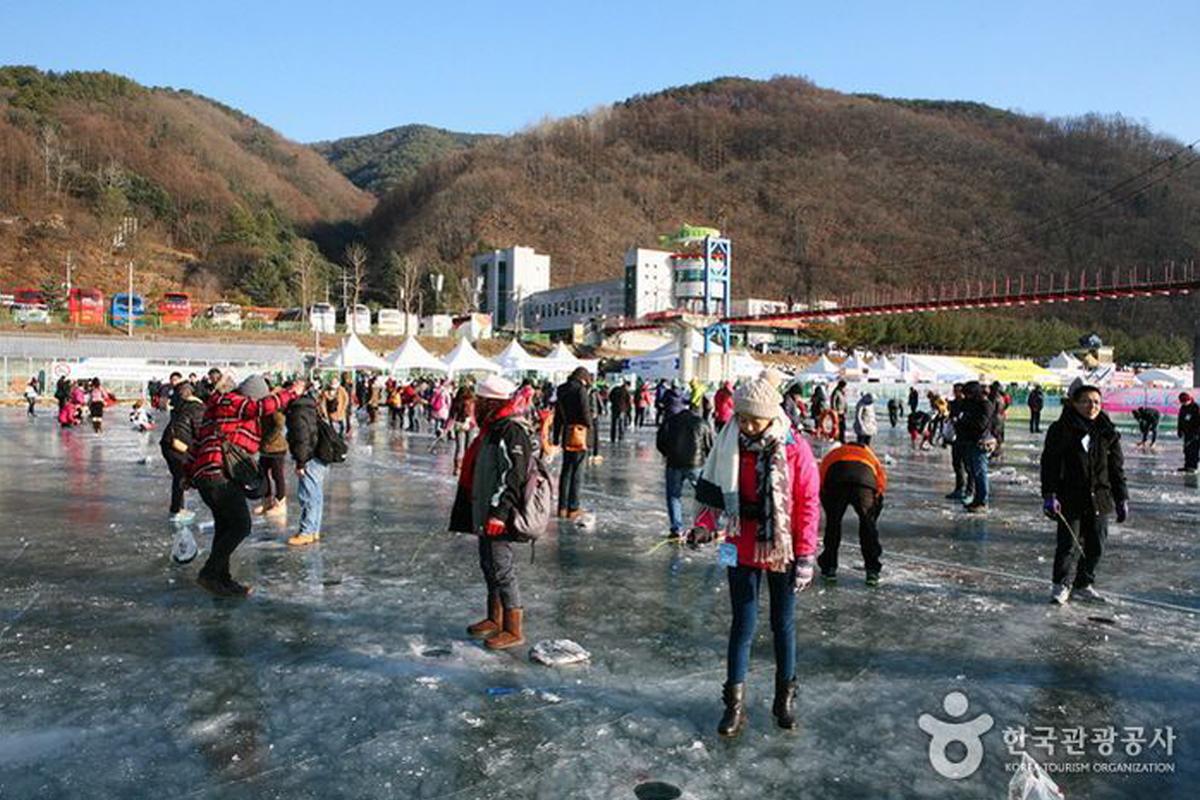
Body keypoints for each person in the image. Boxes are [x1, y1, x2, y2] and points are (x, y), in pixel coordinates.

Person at [686, 378, 820, 738]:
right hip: (742, 547)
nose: (745, 426)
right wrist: (702, 526)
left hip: (782, 550)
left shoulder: (795, 450)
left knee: (783, 625)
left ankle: (784, 700)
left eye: (752, 420)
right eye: (741, 418)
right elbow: (712, 493)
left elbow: (807, 505)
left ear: (770, 416)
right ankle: (734, 705)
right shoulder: (729, 444)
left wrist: (806, 554)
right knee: (742, 626)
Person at [188, 373, 303, 597]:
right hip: (218, 474)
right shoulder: (230, 401)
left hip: (209, 475)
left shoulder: (221, 411)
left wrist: (187, 474)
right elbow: (261, 406)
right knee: (241, 526)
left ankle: (223, 579)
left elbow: (197, 443)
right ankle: (210, 573)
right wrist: (291, 393)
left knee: (225, 528)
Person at [449, 375, 534, 650]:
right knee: (489, 566)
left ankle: (513, 628)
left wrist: (499, 512)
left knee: (502, 569)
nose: (475, 405)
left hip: (500, 513)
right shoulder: (491, 428)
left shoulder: (510, 430)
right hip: (484, 509)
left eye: (480, 401)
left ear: (492, 403)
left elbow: (513, 475)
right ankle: (494, 618)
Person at [1041, 382, 1128, 605]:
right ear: (1075, 403)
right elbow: (1050, 464)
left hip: (1100, 496)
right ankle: (1061, 584)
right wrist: (1050, 494)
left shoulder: (1108, 432)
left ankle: (1083, 583)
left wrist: (1121, 498)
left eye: (1097, 402)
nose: (1092, 406)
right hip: (1070, 496)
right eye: (1087, 401)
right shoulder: (1061, 429)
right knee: (1068, 545)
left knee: (1096, 544)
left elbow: (1116, 468)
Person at [817, 441, 887, 586]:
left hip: (836, 480)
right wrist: (873, 514)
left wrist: (827, 505)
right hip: (865, 483)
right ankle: (872, 569)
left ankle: (829, 566)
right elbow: (881, 481)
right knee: (867, 525)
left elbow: (821, 477)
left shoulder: (834, 453)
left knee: (833, 524)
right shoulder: (869, 454)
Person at [656, 388, 714, 539]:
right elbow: (710, 445)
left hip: (674, 464)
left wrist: (667, 454)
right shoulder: (701, 423)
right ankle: (703, 526)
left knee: (674, 496)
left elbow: (660, 442)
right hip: (696, 464)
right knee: (703, 496)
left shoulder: (670, 421)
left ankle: (676, 528)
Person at [286, 382, 328, 547]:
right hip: (318, 456)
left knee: (308, 496)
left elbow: (302, 439)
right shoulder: (309, 406)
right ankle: (313, 529)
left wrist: (300, 463)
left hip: (310, 458)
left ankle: (307, 531)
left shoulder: (297, 411)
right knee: (316, 496)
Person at [160, 381, 205, 521]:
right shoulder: (197, 408)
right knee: (180, 477)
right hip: (178, 445)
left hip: (168, 444)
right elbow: (198, 431)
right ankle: (177, 510)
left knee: (179, 476)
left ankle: (178, 508)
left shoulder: (180, 406)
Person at [552, 367, 592, 519]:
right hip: (580, 434)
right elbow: (585, 412)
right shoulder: (580, 390)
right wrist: (590, 428)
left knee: (566, 471)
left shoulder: (561, 389)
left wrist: (556, 437)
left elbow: (557, 416)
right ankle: (573, 507)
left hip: (567, 433)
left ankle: (562, 507)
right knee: (577, 472)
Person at [956, 381, 996, 513]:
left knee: (980, 472)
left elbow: (980, 424)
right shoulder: (970, 404)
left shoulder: (985, 405)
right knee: (972, 471)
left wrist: (964, 421)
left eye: (969, 393)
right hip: (969, 441)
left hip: (980, 442)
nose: (967, 396)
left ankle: (982, 501)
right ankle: (976, 499)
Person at [255, 392, 289, 517]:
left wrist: (268, 439)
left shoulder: (275, 412)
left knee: (277, 475)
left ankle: (280, 502)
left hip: (276, 448)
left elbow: (279, 425)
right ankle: (267, 501)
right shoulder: (261, 409)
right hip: (265, 448)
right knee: (262, 474)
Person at [449, 384, 478, 474]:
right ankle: (468, 468)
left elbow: (452, 415)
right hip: (471, 425)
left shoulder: (456, 401)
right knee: (469, 447)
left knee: (459, 448)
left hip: (459, 425)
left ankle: (457, 468)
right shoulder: (472, 401)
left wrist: (448, 427)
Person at [1177, 392, 1200, 473]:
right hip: (1186, 432)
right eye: (1182, 402)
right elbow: (1180, 420)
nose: (1183, 403)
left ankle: (1194, 466)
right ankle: (1187, 466)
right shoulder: (1183, 408)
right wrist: (1179, 430)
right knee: (1186, 450)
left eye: (1185, 401)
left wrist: (1196, 433)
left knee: (1193, 450)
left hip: (1195, 433)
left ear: (1189, 400)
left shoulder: (1196, 407)